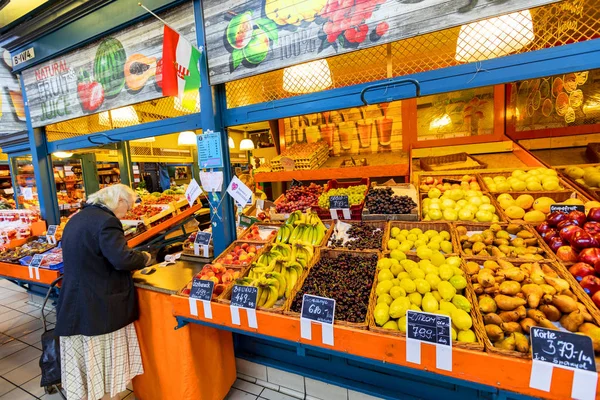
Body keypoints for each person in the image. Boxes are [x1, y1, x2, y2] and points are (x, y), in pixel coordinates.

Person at [55, 184, 152, 400]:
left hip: (74, 300)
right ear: (119, 201)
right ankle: (106, 395)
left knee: (87, 360)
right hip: (99, 304)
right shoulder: (108, 222)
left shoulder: (77, 218)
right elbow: (121, 259)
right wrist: (144, 258)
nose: (128, 212)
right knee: (104, 358)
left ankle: (91, 394)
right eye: (128, 206)